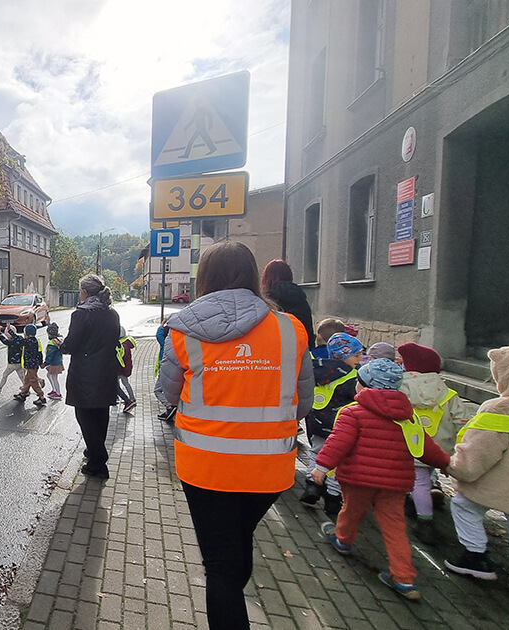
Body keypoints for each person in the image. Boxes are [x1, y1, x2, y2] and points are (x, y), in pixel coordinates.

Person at [158, 242, 313, 628]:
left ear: (204, 278)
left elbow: (168, 394)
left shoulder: (182, 331)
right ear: (251, 274)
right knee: (237, 546)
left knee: (221, 567)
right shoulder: (290, 329)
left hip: (205, 468)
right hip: (270, 468)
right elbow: (304, 405)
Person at [312, 358, 450, 602]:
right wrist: (446, 464)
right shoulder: (409, 417)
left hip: (358, 479)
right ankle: (404, 578)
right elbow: (426, 447)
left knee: (351, 511)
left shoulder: (352, 413)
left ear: (364, 387)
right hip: (395, 484)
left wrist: (321, 467)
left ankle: (343, 540)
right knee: (395, 527)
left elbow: (338, 443)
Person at [444, 343, 509, 610]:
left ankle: (474, 557)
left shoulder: (500, 409)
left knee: (464, 506)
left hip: (493, 482)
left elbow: (479, 452)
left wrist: (457, 468)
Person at [397, 342, 467, 545]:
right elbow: (462, 421)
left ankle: (424, 519)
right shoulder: (448, 394)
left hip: (409, 445)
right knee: (425, 478)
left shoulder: (401, 387)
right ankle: (420, 502)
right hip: (438, 448)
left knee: (416, 480)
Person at [60, 274, 121, 480]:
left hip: (85, 374)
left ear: (85, 292)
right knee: (101, 415)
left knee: (85, 416)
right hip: (106, 372)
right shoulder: (112, 314)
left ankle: (97, 462)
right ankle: (93, 450)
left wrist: (61, 344)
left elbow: (71, 345)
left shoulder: (81, 314)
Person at [299, 332, 363, 518]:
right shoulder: (352, 377)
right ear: (343, 355)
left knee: (316, 453)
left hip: (317, 421)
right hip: (341, 425)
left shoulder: (317, 368)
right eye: (356, 355)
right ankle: (333, 497)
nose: (359, 359)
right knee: (338, 460)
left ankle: (311, 486)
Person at [261, 259, 316, 349]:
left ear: (266, 278)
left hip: (274, 351)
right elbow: (308, 330)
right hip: (299, 350)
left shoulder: (267, 301)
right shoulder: (301, 299)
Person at [13, 323, 47, 406]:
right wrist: (40, 362)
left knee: (33, 381)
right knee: (27, 380)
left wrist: (10, 331)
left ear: (27, 333)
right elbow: (39, 353)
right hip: (33, 365)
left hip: (31, 365)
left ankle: (41, 396)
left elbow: (18, 339)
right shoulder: (35, 341)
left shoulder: (28, 341)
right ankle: (23, 393)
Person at [0, 323, 26, 394]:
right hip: (19, 362)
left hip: (13, 363)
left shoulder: (11, 341)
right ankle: (26, 389)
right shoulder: (20, 338)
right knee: (22, 377)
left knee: (5, 374)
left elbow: (4, 341)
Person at [115, 327, 137, 413]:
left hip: (120, 369)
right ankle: (130, 398)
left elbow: (120, 358)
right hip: (123, 369)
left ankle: (130, 399)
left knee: (119, 384)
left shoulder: (122, 345)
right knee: (121, 384)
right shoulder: (126, 343)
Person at [43, 323, 65, 400]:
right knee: (49, 375)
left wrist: (45, 363)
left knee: (53, 377)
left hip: (54, 363)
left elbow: (50, 355)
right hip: (58, 362)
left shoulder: (52, 343)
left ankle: (57, 393)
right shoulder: (58, 340)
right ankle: (54, 390)